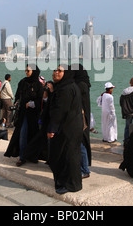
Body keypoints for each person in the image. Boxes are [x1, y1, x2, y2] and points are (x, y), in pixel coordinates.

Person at [47, 65, 83, 195]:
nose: (55, 72)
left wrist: (52, 129)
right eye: (55, 70)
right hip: (72, 126)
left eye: (59, 71)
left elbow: (59, 111)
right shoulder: (69, 86)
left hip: (67, 128)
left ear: (66, 73)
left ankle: (68, 184)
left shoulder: (65, 89)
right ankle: (73, 183)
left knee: (65, 156)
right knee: (71, 154)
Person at [4, 64, 43, 167]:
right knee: (22, 134)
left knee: (34, 135)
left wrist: (32, 104)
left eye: (28, 71)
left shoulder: (38, 85)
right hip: (23, 114)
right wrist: (17, 103)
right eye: (26, 70)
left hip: (34, 115)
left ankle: (33, 156)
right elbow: (17, 96)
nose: (26, 72)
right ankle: (22, 157)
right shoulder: (23, 82)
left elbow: (40, 100)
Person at [73, 63, 92, 179]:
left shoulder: (80, 85)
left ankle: (84, 169)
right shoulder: (83, 84)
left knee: (80, 144)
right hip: (81, 117)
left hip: (80, 119)